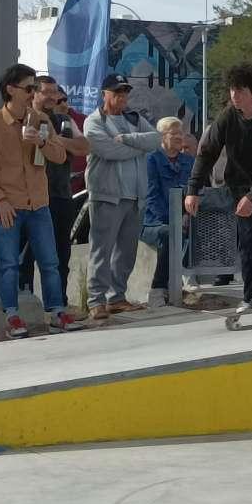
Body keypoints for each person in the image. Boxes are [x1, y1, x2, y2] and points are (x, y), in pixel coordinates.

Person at [0, 63, 81, 337]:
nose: (33, 93)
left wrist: (42, 143)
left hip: (38, 204)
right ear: (11, 90)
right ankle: (12, 316)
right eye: (28, 88)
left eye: (34, 87)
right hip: (7, 205)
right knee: (9, 264)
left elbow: (59, 156)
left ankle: (57, 312)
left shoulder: (41, 120)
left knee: (50, 262)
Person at [186, 62, 252, 313]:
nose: (234, 95)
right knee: (250, 242)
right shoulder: (227, 117)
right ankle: (250, 295)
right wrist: (193, 189)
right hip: (241, 186)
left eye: (241, 91)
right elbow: (207, 152)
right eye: (232, 90)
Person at [83, 73, 160, 320]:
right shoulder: (94, 121)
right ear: (104, 94)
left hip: (135, 196)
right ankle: (96, 300)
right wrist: (139, 147)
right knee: (102, 250)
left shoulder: (134, 119)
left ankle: (116, 297)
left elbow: (156, 140)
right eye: (116, 91)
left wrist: (127, 139)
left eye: (125, 91)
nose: (122, 96)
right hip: (107, 195)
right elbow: (108, 150)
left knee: (126, 252)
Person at [20, 76, 90, 308]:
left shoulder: (64, 121)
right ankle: (25, 304)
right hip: (30, 198)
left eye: (55, 92)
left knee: (61, 255)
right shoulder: (24, 119)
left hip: (61, 196)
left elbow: (84, 146)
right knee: (26, 256)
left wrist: (51, 140)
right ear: (34, 93)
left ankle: (58, 305)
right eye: (46, 92)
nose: (52, 97)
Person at [141, 117, 195, 306]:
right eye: (174, 133)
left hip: (184, 219)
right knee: (170, 234)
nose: (180, 137)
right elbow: (151, 197)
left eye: (181, 133)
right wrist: (174, 220)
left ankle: (191, 279)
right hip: (154, 222)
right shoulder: (151, 160)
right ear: (162, 137)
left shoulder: (189, 161)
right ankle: (158, 289)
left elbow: (195, 192)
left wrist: (187, 216)